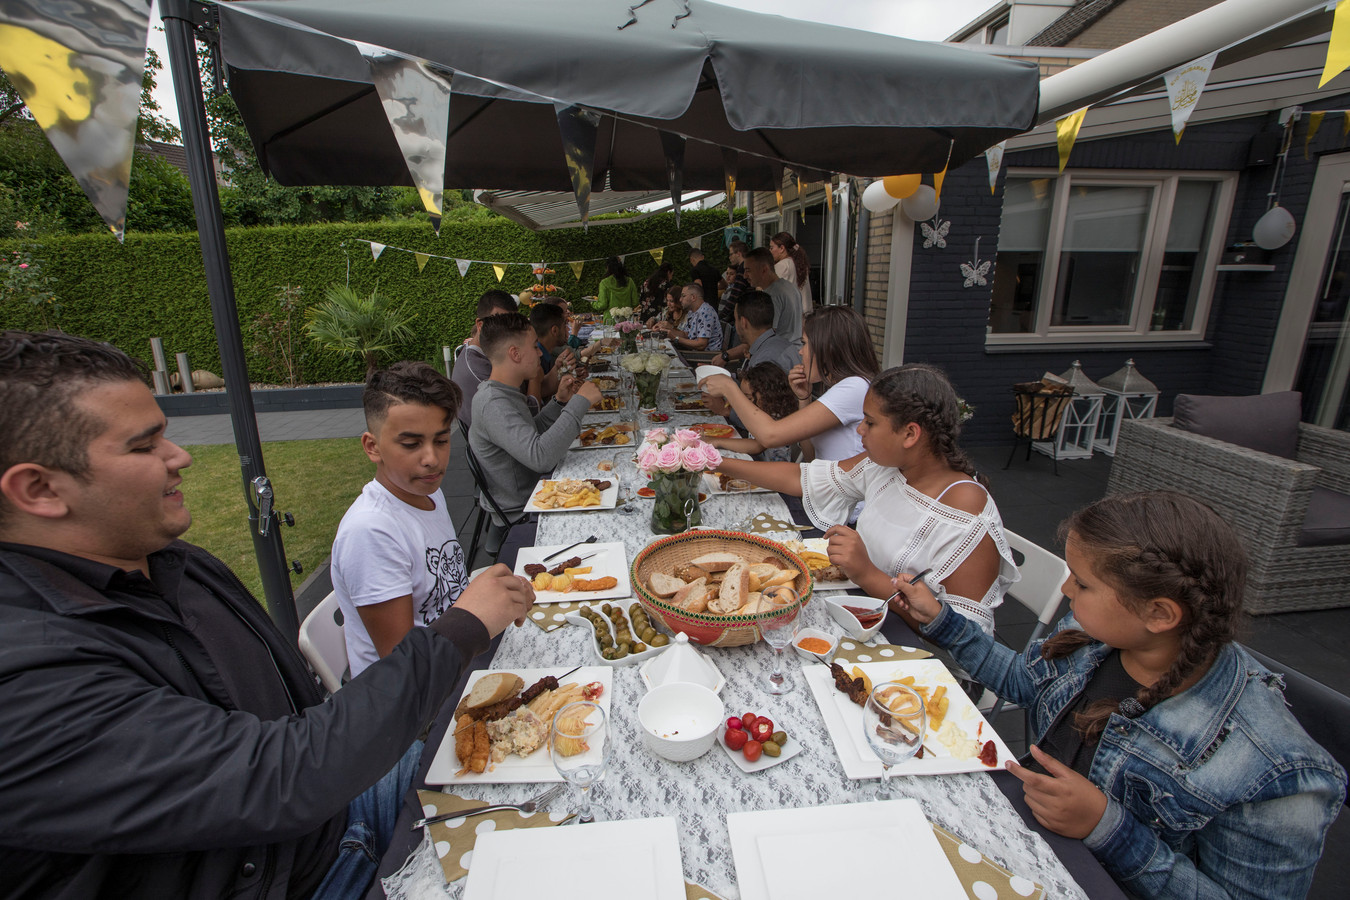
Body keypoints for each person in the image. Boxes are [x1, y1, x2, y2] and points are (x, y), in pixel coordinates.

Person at [0, 330, 535, 898]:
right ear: (39, 488)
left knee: (556, 767)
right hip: (323, 873)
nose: (180, 455)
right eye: (143, 445)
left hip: (346, 804)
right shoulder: (29, 681)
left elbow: (304, 722)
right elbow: (280, 776)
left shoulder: (172, 562)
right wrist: (463, 626)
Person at [890, 491, 1348, 900]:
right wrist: (942, 620)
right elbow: (1022, 681)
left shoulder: (1276, 775)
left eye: (1083, 584)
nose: (1066, 590)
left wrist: (1106, 827)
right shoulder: (1095, 636)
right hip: (1019, 833)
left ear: (1159, 613)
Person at [711, 364, 1018, 635]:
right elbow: (799, 478)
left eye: (869, 423)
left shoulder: (965, 512)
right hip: (866, 613)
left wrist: (867, 573)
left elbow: (967, 639)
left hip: (920, 657)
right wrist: (712, 461)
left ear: (910, 434)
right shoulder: (888, 468)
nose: (859, 429)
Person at [331, 362, 476, 677]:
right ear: (373, 447)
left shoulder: (429, 493)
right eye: (411, 444)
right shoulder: (371, 531)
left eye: (441, 440)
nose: (431, 458)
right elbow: (403, 666)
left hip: (452, 656)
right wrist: (478, 614)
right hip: (416, 701)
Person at [469, 313, 602, 527]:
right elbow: (541, 457)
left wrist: (558, 402)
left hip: (538, 493)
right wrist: (580, 402)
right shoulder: (493, 404)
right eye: (534, 347)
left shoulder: (504, 391)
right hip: (524, 512)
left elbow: (531, 435)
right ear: (515, 353)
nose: (540, 353)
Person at [701, 305, 876, 463]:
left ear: (828, 348)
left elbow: (770, 435)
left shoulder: (855, 387)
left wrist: (729, 388)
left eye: (805, 343)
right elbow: (811, 458)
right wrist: (804, 399)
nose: (800, 351)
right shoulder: (842, 387)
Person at [451, 289, 535, 428]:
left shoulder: (491, 354)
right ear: (480, 325)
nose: (508, 331)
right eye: (499, 322)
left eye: (511, 323)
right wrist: (534, 377)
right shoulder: (477, 370)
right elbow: (527, 415)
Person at [715, 362, 799, 462]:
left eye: (749, 398)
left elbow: (756, 445)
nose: (745, 402)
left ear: (768, 396)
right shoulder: (765, 411)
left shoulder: (775, 418)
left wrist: (717, 442)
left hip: (773, 470)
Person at [709, 290, 800, 376]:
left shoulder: (764, 360)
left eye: (736, 319)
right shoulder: (778, 344)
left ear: (743, 322)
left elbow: (755, 391)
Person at [744, 246, 801, 347]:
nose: (745, 275)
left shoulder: (771, 295)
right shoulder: (791, 287)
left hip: (779, 355)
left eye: (748, 270)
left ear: (764, 270)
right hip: (793, 351)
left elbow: (767, 336)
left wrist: (728, 355)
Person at [529, 301, 577, 398]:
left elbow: (544, 388)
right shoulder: (535, 361)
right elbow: (538, 401)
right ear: (554, 330)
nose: (568, 330)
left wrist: (560, 371)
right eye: (565, 325)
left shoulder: (546, 354)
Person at [656, 283, 722, 352]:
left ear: (693, 297)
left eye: (683, 296)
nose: (680, 299)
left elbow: (701, 345)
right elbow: (685, 334)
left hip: (704, 357)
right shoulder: (692, 312)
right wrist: (668, 330)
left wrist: (675, 338)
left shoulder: (706, 313)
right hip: (692, 353)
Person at [770, 231, 813, 315]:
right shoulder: (800, 264)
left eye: (771, 248)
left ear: (782, 248)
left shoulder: (782, 266)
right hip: (804, 315)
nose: (770, 251)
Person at [719, 239, 752, 327]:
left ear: (738, 253)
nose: (729, 257)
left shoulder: (743, 268)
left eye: (731, 254)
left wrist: (720, 316)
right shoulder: (748, 266)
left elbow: (735, 295)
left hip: (745, 312)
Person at [688, 247, 722, 314]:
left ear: (692, 259)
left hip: (703, 306)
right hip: (714, 305)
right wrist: (714, 287)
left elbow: (698, 286)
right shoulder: (714, 270)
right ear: (702, 257)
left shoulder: (695, 270)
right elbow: (724, 284)